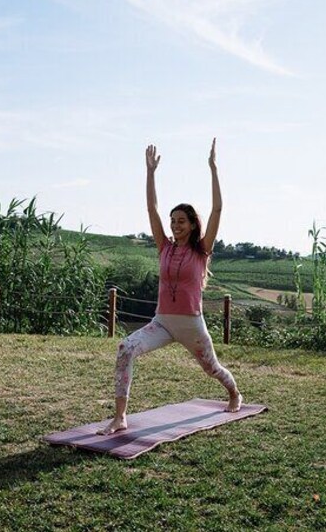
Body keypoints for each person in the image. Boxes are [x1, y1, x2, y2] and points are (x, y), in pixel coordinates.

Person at [98, 138, 243, 435]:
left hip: (191, 325)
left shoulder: (201, 251)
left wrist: (213, 169)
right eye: (172, 220)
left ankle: (234, 393)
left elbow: (217, 209)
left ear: (191, 224)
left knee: (212, 369)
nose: (175, 224)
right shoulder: (164, 247)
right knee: (125, 348)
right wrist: (150, 173)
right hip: (162, 322)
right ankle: (120, 417)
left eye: (181, 221)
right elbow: (151, 208)